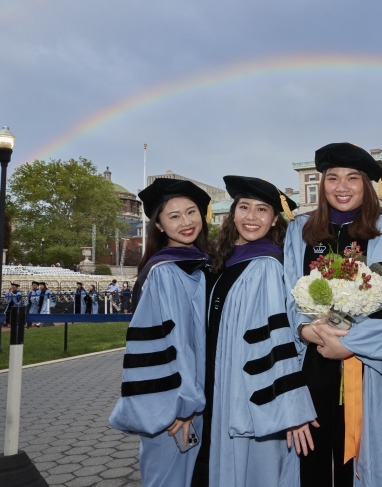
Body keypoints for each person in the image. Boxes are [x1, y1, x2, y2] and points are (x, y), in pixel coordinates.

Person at [284, 143, 382, 487]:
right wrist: (303, 329)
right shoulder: (299, 232)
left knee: (360, 456)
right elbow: (285, 294)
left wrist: (346, 341)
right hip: (309, 362)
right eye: (332, 178)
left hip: (364, 361)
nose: (341, 187)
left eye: (352, 178)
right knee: (308, 456)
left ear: (367, 184)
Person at [191, 176, 316, 487]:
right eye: (244, 207)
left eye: (262, 210)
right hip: (218, 385)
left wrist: (290, 406)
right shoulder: (223, 261)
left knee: (255, 471)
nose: (251, 217)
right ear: (233, 213)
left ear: (275, 220)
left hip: (252, 398)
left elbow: (276, 338)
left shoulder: (268, 265)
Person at [109, 178, 213, 487]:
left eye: (191, 212)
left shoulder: (200, 264)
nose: (186, 222)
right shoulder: (165, 272)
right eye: (174, 216)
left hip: (193, 398)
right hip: (176, 407)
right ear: (159, 225)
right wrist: (183, 406)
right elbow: (172, 344)